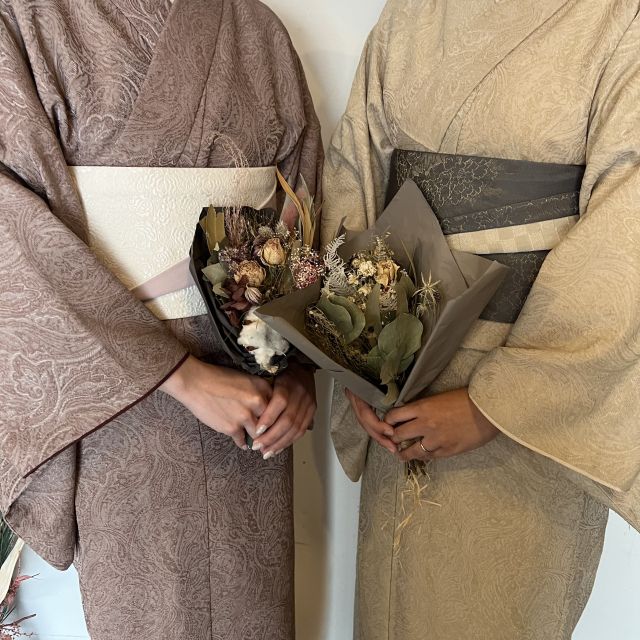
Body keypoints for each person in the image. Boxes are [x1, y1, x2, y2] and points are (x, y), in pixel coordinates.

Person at [0, 1, 322, 638]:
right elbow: (13, 232)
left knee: (254, 609)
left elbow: (303, 212)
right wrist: (181, 376)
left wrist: (299, 369)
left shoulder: (256, 30)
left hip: (255, 387)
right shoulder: (28, 19)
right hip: (122, 403)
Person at [322, 1, 640, 638]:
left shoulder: (617, 18)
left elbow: (624, 231)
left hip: (523, 416)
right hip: (399, 375)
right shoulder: (410, 13)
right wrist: (356, 356)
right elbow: (353, 171)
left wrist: (493, 406)